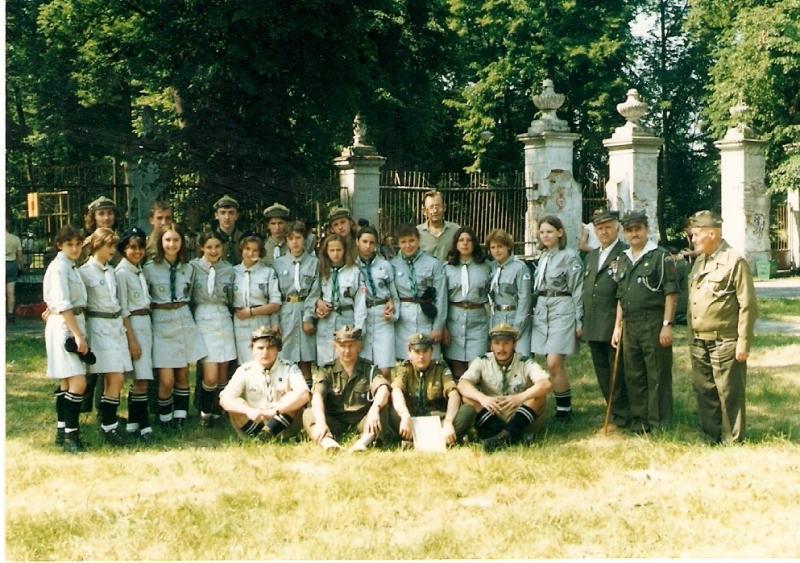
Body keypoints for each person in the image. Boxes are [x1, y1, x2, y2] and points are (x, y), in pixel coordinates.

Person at [687, 210, 757, 444]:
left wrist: (743, 342)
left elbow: (748, 305)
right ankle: (710, 435)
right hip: (699, 339)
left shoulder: (734, 261)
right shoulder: (700, 261)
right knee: (704, 389)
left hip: (724, 340)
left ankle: (733, 440)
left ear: (712, 234)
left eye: (696, 234)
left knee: (729, 391)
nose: (693, 239)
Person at [611, 210, 678, 434]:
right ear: (624, 233)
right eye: (629, 230)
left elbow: (671, 293)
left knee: (657, 372)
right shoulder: (623, 259)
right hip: (630, 324)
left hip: (653, 321)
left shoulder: (660, 256)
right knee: (634, 374)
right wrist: (617, 326)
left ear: (646, 229)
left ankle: (659, 422)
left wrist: (667, 324)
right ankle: (640, 421)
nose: (634, 234)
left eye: (638, 229)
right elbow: (621, 296)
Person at [143, 222, 207, 431]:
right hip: (161, 323)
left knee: (182, 374)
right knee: (166, 380)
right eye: (168, 240)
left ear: (182, 242)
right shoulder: (149, 269)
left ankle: (180, 416)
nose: (172, 244)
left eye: (176, 240)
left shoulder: (189, 268)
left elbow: (192, 295)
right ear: (160, 242)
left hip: (183, 321)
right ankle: (164, 418)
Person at [78, 228, 134, 446]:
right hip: (99, 327)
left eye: (114, 246)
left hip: (115, 327)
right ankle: (107, 426)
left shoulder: (111, 271)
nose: (112, 250)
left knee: (117, 377)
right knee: (113, 376)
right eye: (108, 245)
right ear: (96, 245)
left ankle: (108, 424)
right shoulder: (85, 272)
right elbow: (76, 300)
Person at [457, 323, 552, 452]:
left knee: (539, 397)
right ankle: (512, 436)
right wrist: (482, 398)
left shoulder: (524, 362)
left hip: (517, 412)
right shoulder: (482, 361)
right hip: (492, 412)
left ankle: (499, 437)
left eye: (506, 343)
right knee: (468, 398)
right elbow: (462, 384)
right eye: (497, 343)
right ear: (491, 345)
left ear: (514, 344)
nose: (501, 348)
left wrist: (520, 397)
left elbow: (546, 384)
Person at [302, 325, 391, 452]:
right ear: (335, 346)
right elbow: (317, 397)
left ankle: (363, 443)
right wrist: (321, 422)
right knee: (309, 413)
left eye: (351, 345)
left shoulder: (369, 369)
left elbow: (383, 389)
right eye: (342, 346)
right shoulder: (327, 370)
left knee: (382, 408)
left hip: (362, 421)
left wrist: (374, 409)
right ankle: (328, 442)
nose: (347, 350)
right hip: (335, 421)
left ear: (359, 346)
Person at [530, 215, 583, 422]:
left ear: (560, 233)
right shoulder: (543, 257)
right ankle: (561, 407)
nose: (545, 235)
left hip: (562, 307)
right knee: (548, 361)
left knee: (554, 362)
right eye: (542, 232)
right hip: (543, 310)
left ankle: (564, 411)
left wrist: (579, 320)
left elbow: (577, 289)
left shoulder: (569, 257)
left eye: (550, 231)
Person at [581, 210, 629, 431]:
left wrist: (618, 324)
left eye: (608, 227)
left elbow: (623, 290)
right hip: (593, 322)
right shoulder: (591, 256)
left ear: (617, 228)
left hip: (612, 322)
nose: (604, 232)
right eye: (600, 228)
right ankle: (612, 408)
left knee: (617, 372)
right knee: (602, 371)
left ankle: (620, 416)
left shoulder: (624, 254)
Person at [43, 225, 90, 453]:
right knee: (78, 382)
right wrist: (78, 335)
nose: (74, 249)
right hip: (65, 326)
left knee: (66, 382)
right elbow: (62, 304)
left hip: (70, 322)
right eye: (69, 244)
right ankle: (72, 438)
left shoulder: (71, 266)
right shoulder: (59, 268)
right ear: (59, 245)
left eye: (78, 244)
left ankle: (62, 432)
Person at [219, 326, 310, 441]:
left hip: (282, 422)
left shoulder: (289, 367)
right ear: (253, 349)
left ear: (278, 348)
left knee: (293, 396)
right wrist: (248, 411)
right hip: (254, 420)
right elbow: (224, 399)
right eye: (260, 348)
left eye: (270, 347)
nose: (265, 352)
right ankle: (261, 436)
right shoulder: (244, 370)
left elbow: (304, 395)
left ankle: (268, 434)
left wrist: (274, 411)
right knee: (236, 402)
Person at [389, 333, 474, 446]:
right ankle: (443, 441)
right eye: (417, 352)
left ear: (431, 352)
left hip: (438, 421)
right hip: (412, 421)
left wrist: (448, 422)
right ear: (409, 352)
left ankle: (415, 442)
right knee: (391, 412)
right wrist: (405, 416)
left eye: (425, 351)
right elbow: (396, 391)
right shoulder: (405, 369)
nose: (421, 356)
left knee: (468, 410)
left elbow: (454, 394)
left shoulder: (440, 369)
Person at [191, 231, 237, 427]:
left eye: (217, 246)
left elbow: (232, 297)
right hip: (203, 318)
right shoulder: (193, 267)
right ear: (202, 247)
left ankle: (218, 411)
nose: (213, 251)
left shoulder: (229, 269)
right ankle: (205, 410)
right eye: (209, 247)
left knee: (223, 374)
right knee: (209, 375)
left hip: (223, 318)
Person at [115, 227, 155, 442]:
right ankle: (144, 425)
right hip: (134, 325)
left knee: (142, 377)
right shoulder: (122, 273)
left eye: (140, 247)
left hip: (145, 323)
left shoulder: (138, 270)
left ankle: (133, 423)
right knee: (140, 379)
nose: (137, 251)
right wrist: (131, 340)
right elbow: (123, 309)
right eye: (132, 247)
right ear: (124, 249)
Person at [390, 224, 447, 361]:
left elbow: (441, 297)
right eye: (403, 242)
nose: (408, 245)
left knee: (428, 360)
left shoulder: (433, 263)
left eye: (412, 240)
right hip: (403, 321)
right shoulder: (393, 264)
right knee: (405, 362)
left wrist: (438, 327)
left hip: (427, 318)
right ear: (398, 243)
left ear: (418, 240)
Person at [308, 234, 366, 365]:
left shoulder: (354, 271)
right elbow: (313, 295)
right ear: (326, 252)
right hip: (326, 321)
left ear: (345, 250)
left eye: (339, 250)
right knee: (325, 361)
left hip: (346, 318)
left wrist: (359, 329)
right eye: (332, 250)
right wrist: (318, 303)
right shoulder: (322, 271)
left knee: (345, 359)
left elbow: (360, 302)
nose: (335, 254)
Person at [442, 227, 491, 380]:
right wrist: (443, 326)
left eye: (469, 240)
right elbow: (442, 298)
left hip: (478, 320)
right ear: (455, 244)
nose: (465, 243)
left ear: (474, 243)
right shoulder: (447, 268)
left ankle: (474, 393)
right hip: (454, 320)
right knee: (456, 367)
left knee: (476, 366)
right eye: (461, 240)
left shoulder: (486, 266)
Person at [273, 221, 318, 386]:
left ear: (305, 239)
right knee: (286, 359)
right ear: (286, 240)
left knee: (305, 359)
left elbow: (315, 292)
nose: (295, 242)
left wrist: (308, 317)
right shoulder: (278, 263)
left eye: (298, 238)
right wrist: (275, 321)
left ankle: (308, 395)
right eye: (291, 238)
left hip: (305, 309)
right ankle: (289, 396)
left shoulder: (314, 262)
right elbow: (275, 294)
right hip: (286, 312)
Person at [354, 225, 399, 377]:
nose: (368, 246)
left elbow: (394, 294)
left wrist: (393, 313)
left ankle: (385, 391)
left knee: (384, 368)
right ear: (357, 242)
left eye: (372, 242)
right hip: (363, 316)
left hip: (382, 316)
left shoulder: (385, 265)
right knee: (364, 366)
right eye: (364, 242)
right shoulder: (352, 266)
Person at [232, 234, 281, 363]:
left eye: (255, 250)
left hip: (261, 321)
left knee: (262, 361)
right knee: (245, 364)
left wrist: (252, 312)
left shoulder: (268, 272)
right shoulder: (233, 272)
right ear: (241, 250)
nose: (250, 253)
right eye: (247, 249)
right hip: (240, 322)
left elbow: (275, 303)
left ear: (260, 252)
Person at [486, 228, 532, 356]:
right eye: (493, 247)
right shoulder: (492, 268)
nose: (496, 250)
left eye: (500, 246)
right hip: (497, 317)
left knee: (520, 357)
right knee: (500, 356)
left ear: (508, 247)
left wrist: (517, 328)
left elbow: (525, 299)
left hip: (515, 316)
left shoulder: (520, 267)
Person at [417, 190, 460, 263]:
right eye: (431, 207)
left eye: (437, 206)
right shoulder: (416, 233)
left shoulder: (456, 230)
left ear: (444, 207)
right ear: (424, 211)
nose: (435, 211)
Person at [211, 195, 244, 265]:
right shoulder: (209, 240)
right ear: (216, 215)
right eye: (223, 213)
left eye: (231, 213)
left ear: (237, 215)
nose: (227, 217)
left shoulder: (244, 239)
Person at [5, 221, 23, 323]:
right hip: (12, 264)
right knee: (11, 292)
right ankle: (10, 314)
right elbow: (19, 255)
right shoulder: (15, 239)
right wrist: (21, 266)